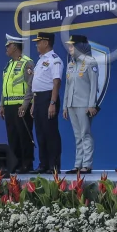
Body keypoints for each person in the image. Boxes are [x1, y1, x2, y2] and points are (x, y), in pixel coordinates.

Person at [63, 34, 99, 174]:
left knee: (85, 134)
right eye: (69, 46)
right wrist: (65, 106)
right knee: (77, 135)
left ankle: (87, 164)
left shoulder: (90, 62)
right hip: (72, 104)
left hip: (84, 104)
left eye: (72, 45)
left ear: (80, 46)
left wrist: (92, 105)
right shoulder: (71, 64)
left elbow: (94, 85)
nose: (70, 48)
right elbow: (67, 86)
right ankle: (78, 164)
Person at [0, 34, 35, 173]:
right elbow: (5, 86)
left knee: (24, 135)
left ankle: (27, 164)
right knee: (12, 136)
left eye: (8, 46)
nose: (6, 48)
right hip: (9, 106)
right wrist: (1, 104)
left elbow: (31, 85)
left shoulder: (27, 62)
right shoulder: (8, 65)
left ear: (15, 47)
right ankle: (15, 163)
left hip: (21, 106)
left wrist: (25, 104)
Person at [31, 31, 63, 172]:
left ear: (46, 42)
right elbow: (36, 84)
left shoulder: (54, 60)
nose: (37, 45)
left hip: (48, 98)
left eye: (39, 42)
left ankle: (53, 165)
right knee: (40, 133)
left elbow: (56, 83)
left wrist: (52, 103)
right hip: (38, 98)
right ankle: (43, 164)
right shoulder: (40, 60)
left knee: (50, 132)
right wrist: (33, 104)